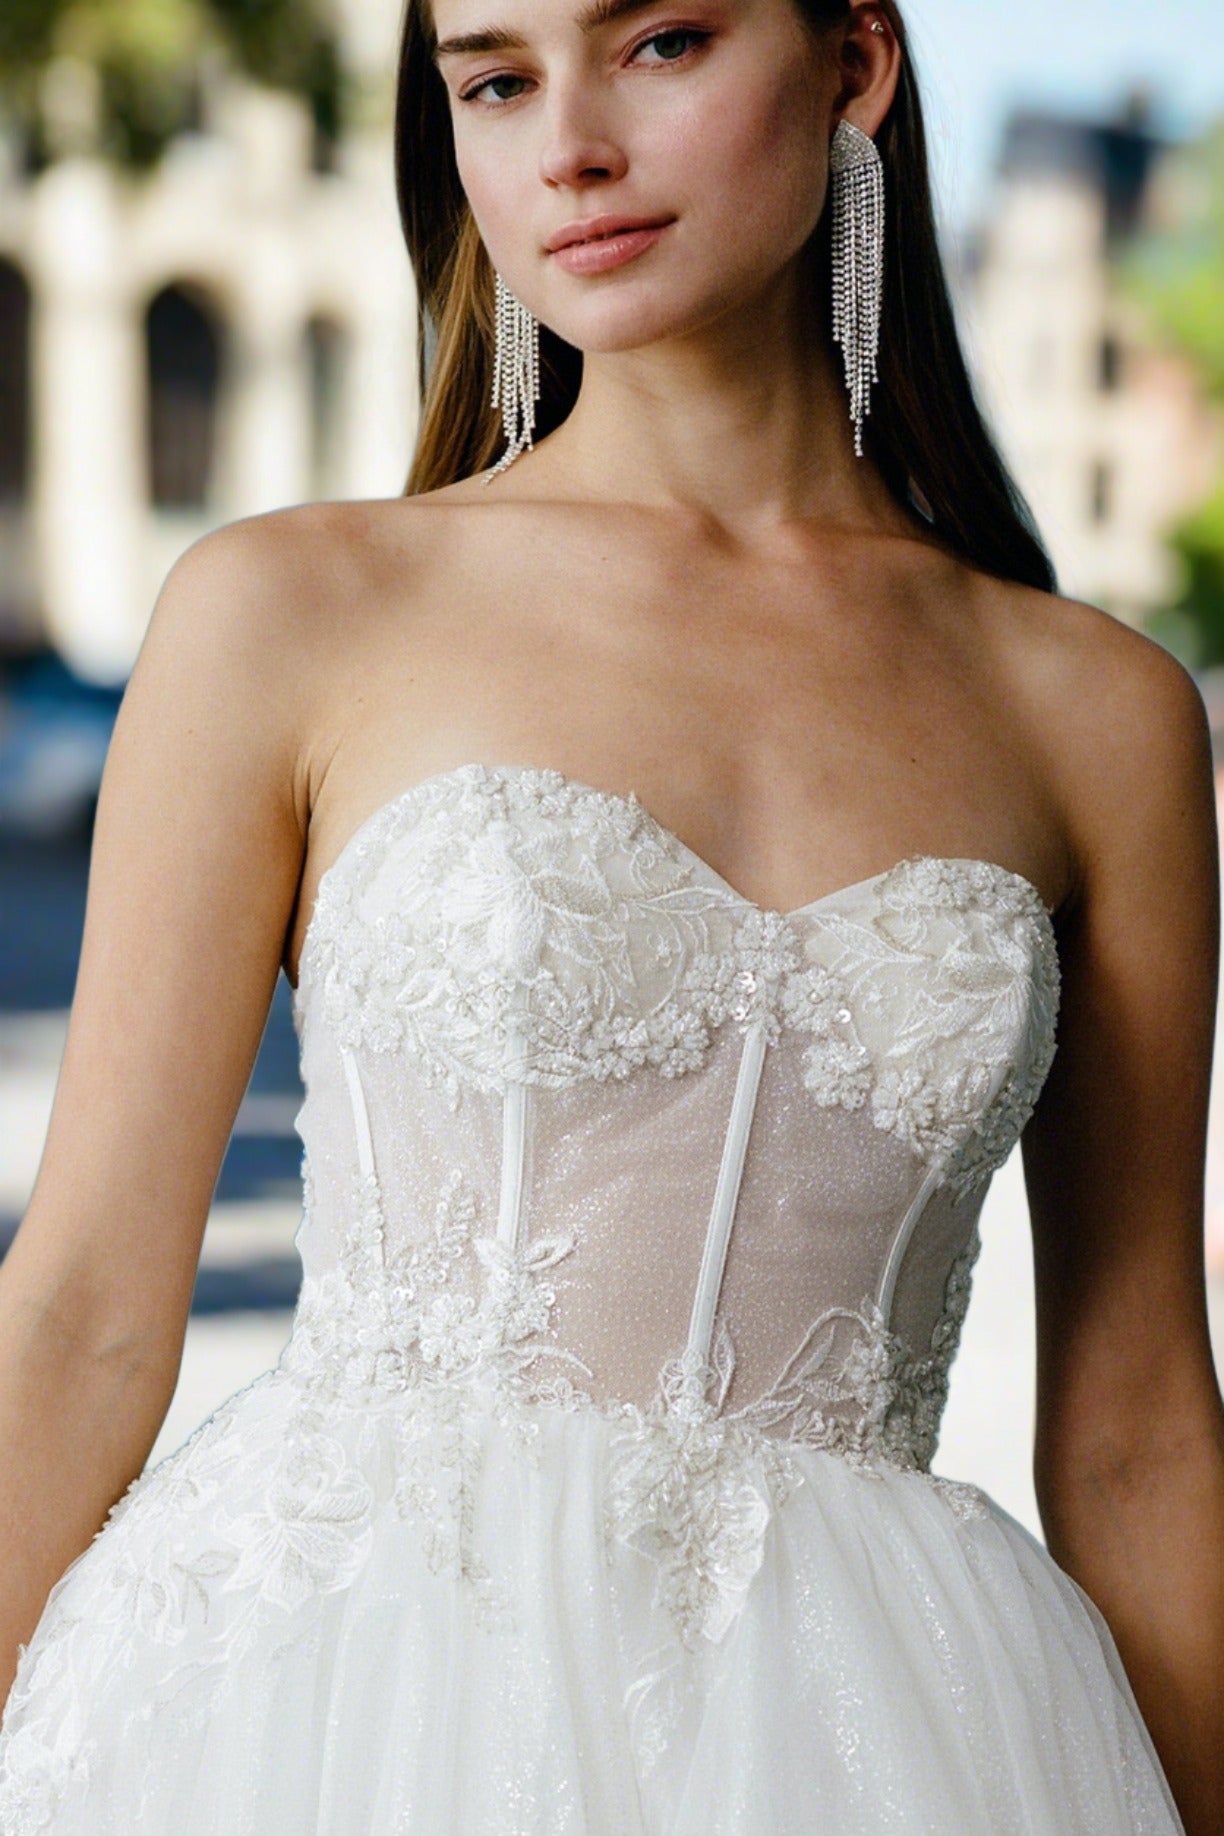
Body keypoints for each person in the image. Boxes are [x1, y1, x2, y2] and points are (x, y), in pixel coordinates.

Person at [0, 0, 1221, 1828]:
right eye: (493, 80)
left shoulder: (1095, 712)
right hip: (336, 1710)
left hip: (889, 1743)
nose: (565, 141)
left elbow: (1133, 1428)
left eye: (657, 43)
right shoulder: (293, 612)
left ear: (855, 65)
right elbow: (86, 1313)